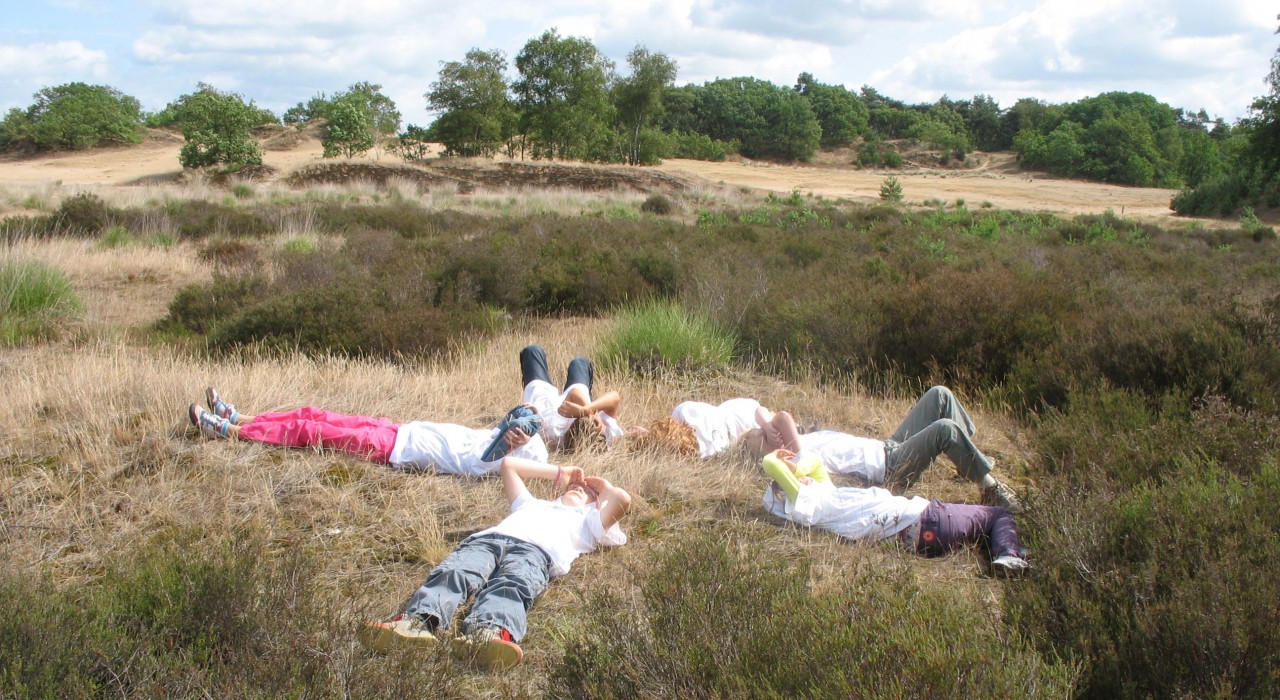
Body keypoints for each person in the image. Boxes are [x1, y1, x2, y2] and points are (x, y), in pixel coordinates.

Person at [358, 455, 632, 669]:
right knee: (455, 572)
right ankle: (417, 622)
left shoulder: (590, 522)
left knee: (511, 586)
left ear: (596, 504)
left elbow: (622, 500)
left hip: (535, 555)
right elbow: (509, 465)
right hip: (489, 541)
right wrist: (561, 472)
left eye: (586, 491)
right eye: (574, 486)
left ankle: (489, 634)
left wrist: (604, 488)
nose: (579, 488)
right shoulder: (532, 504)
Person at [742, 386, 1022, 512]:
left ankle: (968, 461)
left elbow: (759, 410)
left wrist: (764, 424)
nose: (764, 431)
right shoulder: (794, 456)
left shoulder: (805, 439)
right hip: (891, 468)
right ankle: (990, 489)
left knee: (939, 395)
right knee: (945, 429)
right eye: (760, 436)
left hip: (889, 447)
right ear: (764, 448)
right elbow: (779, 417)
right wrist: (767, 428)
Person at [761, 448, 1029, 575]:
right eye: (795, 482)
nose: (805, 479)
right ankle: (1009, 556)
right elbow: (769, 463)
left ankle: (1007, 549)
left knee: (981, 528)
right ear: (790, 494)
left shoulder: (826, 499)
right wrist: (785, 465)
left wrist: (797, 469)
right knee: (998, 514)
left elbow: (816, 462)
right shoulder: (811, 505)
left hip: (919, 538)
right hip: (927, 517)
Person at [187, 387, 547, 477]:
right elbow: (504, 425)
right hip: (399, 428)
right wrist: (525, 414)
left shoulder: (490, 462)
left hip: (392, 449)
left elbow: (498, 451)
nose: (519, 435)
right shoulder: (495, 438)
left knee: (311, 431)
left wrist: (518, 439)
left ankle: (229, 433)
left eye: (524, 437)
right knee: (314, 414)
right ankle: (244, 418)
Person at [518, 344, 626, 451]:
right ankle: (587, 404)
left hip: (546, 403)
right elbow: (614, 397)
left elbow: (575, 393)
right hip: (575, 403)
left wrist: (587, 411)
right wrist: (589, 411)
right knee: (579, 363)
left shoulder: (555, 430)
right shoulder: (609, 436)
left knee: (532, 351)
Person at [634, 398, 801, 459]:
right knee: (780, 420)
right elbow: (761, 411)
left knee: (763, 433)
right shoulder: (757, 410)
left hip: (729, 439)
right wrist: (767, 424)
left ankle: (801, 460)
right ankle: (801, 459)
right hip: (731, 438)